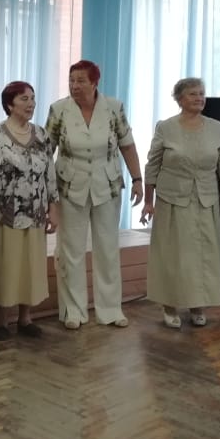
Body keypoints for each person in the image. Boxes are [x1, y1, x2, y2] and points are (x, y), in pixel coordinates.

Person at [140, 78, 220, 327]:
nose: (199, 98)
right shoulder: (166, 127)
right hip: (171, 199)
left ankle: (197, 305)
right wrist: (148, 201)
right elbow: (152, 164)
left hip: (205, 200)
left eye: (201, 93)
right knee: (173, 255)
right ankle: (169, 305)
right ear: (179, 99)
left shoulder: (215, 127)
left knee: (201, 256)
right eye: (193, 94)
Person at [45, 60, 143, 329]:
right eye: (71, 80)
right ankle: (73, 311)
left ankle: (110, 310)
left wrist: (137, 179)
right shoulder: (59, 110)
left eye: (80, 81)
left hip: (106, 185)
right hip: (70, 186)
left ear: (94, 83)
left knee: (108, 249)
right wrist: (47, 193)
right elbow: (45, 151)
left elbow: (127, 145)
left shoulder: (114, 107)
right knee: (70, 250)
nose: (74, 86)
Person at [0, 81, 60, 339]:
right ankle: (1, 320)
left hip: (35, 212)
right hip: (5, 213)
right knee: (6, 266)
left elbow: (50, 174)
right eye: (24, 99)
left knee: (30, 266)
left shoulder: (42, 135)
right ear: (9, 104)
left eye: (32, 98)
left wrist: (53, 207)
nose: (31, 103)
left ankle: (25, 318)